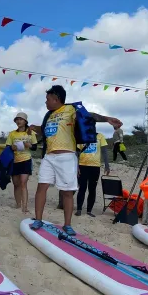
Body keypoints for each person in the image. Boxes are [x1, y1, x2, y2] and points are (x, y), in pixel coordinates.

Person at [28, 85, 122, 235]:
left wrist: (107, 119)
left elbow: (90, 116)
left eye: (47, 99)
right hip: (49, 156)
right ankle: (38, 219)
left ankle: (67, 224)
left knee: (67, 192)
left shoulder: (71, 110)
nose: (45, 102)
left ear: (56, 99)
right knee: (41, 187)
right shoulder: (48, 115)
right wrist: (35, 127)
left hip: (66, 157)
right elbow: (44, 129)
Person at [5, 112, 37, 213]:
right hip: (15, 161)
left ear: (25, 121)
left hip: (26, 160)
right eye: (17, 119)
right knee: (16, 184)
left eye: (20, 119)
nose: (18, 121)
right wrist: (12, 147)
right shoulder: (12, 134)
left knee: (23, 183)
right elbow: (7, 147)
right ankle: (18, 204)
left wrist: (29, 145)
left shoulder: (30, 132)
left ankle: (25, 206)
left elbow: (35, 147)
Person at [75, 132, 110, 217]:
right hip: (82, 166)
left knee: (92, 189)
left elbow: (104, 151)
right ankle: (79, 209)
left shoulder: (100, 136)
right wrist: (76, 167)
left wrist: (107, 165)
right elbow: (77, 153)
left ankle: (89, 211)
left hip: (95, 167)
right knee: (82, 188)